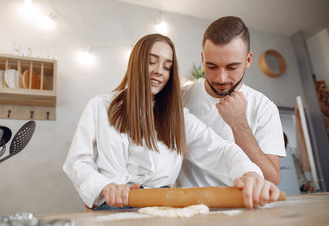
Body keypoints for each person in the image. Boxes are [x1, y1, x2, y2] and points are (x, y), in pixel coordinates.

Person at [63, 33, 280, 211]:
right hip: (110, 207)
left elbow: (219, 150)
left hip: (161, 207)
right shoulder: (99, 106)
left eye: (167, 67)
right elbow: (77, 162)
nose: (159, 71)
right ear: (136, 63)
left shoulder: (178, 118)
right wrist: (104, 186)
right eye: (151, 62)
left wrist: (249, 173)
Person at [177, 16, 286, 188]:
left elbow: (271, 180)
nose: (221, 78)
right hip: (187, 209)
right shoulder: (179, 98)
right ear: (203, 59)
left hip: (243, 209)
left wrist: (238, 123)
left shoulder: (264, 107)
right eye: (212, 67)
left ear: (248, 60)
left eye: (232, 67)